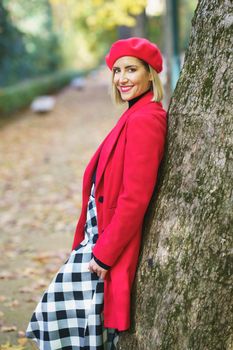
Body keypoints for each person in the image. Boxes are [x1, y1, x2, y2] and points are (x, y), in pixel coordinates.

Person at [26, 37, 167, 350]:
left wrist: (104, 254)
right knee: (71, 327)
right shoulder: (133, 114)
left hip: (105, 248)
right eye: (116, 71)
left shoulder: (146, 120)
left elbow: (136, 197)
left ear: (150, 74)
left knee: (61, 320)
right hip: (97, 239)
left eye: (131, 69)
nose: (121, 78)